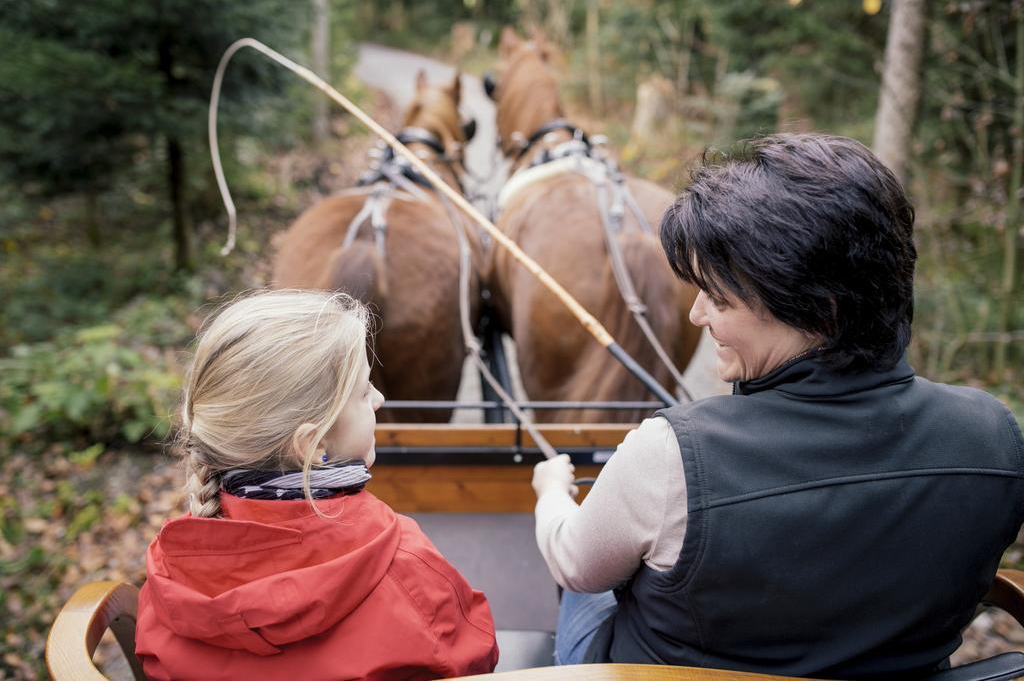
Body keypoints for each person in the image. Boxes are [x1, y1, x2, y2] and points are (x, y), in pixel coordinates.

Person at [532, 133, 1024, 678]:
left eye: (718, 297)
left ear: (819, 308)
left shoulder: (669, 454)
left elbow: (576, 565)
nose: (697, 315)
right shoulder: (994, 433)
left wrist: (551, 492)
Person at [135, 290, 499, 680]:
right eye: (362, 391)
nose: (377, 398)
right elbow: (476, 661)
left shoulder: (167, 578)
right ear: (314, 444)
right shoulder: (405, 567)